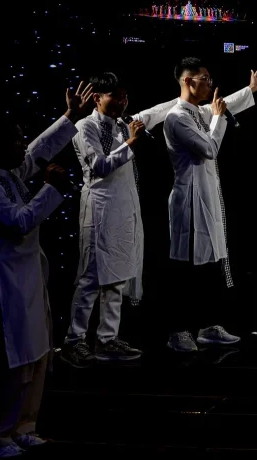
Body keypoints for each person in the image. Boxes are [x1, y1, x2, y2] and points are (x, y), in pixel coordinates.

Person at [0, 82, 92, 458]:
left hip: (28, 280)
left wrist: (69, 117)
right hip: (4, 284)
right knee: (12, 361)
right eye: (15, 140)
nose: (22, 145)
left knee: (37, 355)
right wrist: (50, 189)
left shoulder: (8, 174)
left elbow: (38, 150)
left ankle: (24, 426)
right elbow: (19, 222)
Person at [61, 72, 177, 367]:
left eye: (125, 96)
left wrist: (185, 97)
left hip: (125, 211)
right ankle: (74, 341)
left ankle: (107, 340)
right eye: (116, 96)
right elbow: (100, 166)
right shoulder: (84, 126)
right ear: (97, 98)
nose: (122, 102)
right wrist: (131, 143)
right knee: (91, 278)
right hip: (99, 210)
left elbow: (157, 111)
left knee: (117, 277)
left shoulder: (124, 123)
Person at [164, 57, 257, 352]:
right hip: (189, 199)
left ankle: (208, 326)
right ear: (188, 81)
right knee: (186, 266)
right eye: (205, 79)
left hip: (206, 196)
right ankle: (178, 330)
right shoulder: (177, 117)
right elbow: (209, 148)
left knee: (209, 263)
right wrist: (220, 119)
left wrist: (249, 90)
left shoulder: (197, 112)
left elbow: (222, 104)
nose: (210, 84)